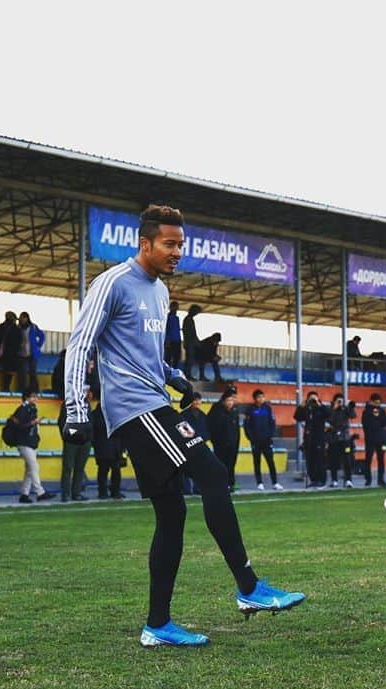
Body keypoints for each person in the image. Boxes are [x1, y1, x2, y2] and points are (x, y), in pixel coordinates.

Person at [62, 204, 303, 647]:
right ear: (145, 243)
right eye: (170, 244)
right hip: (136, 409)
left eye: (181, 245)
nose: (177, 253)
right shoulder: (112, 284)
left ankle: (157, 624)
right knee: (211, 472)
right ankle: (249, 589)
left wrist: (173, 375)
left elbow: (146, 354)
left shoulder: (158, 293)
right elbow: (80, 347)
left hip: (155, 397)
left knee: (172, 514)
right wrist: (76, 411)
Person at [9, 390, 55, 503]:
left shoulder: (29, 409)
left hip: (29, 442)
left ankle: (24, 494)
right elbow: (19, 426)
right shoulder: (23, 409)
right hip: (24, 442)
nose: (36, 399)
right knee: (34, 466)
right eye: (33, 397)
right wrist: (33, 423)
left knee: (30, 469)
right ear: (27, 398)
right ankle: (40, 492)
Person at [243, 389, 283, 491]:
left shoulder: (268, 408)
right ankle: (259, 483)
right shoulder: (250, 410)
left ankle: (275, 482)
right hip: (256, 441)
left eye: (262, 397)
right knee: (257, 462)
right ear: (255, 398)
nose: (261, 399)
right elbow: (247, 426)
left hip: (267, 440)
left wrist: (270, 435)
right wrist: (251, 438)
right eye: (259, 397)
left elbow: (272, 423)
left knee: (271, 462)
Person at [58, 389, 93, 501]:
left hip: (84, 440)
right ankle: (66, 493)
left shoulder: (87, 404)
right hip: (72, 440)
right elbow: (62, 421)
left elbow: (91, 422)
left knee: (80, 468)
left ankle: (76, 493)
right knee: (68, 467)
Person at [92, 390, 126, 499]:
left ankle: (106, 492)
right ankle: (111, 492)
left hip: (109, 447)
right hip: (110, 446)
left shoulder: (96, 414)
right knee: (108, 470)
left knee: (107, 471)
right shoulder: (113, 413)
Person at [208, 388, 242, 492]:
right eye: (229, 400)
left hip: (233, 443)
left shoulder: (234, 411)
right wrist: (215, 440)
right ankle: (221, 483)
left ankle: (231, 483)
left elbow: (236, 429)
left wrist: (236, 441)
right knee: (221, 464)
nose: (231, 402)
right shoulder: (216, 409)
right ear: (224, 400)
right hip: (220, 443)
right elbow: (212, 426)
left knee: (231, 464)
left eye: (233, 400)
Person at [294, 390, 329, 488]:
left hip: (319, 437)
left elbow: (328, 414)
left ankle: (321, 480)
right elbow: (297, 417)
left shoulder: (321, 408)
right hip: (309, 438)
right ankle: (313, 479)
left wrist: (319, 403)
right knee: (310, 460)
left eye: (314, 398)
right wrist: (301, 406)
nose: (313, 401)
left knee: (320, 459)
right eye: (311, 399)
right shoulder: (307, 409)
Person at [178, 392, 210, 496]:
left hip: (200, 445)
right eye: (195, 400)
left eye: (198, 400)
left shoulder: (203, 415)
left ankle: (198, 488)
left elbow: (207, 430)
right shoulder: (183, 415)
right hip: (188, 445)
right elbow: (183, 432)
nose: (197, 402)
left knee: (200, 468)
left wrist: (202, 440)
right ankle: (186, 488)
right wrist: (193, 441)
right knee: (187, 468)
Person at [326, 393, 356, 488]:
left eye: (341, 400)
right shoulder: (330, 409)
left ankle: (348, 480)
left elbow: (353, 416)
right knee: (333, 460)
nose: (340, 402)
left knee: (347, 459)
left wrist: (350, 407)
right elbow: (329, 419)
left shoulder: (345, 409)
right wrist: (334, 408)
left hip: (345, 438)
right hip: (333, 438)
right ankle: (334, 480)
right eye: (338, 400)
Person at [361, 392, 386, 487]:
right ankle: (368, 479)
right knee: (368, 459)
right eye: (376, 403)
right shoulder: (366, 411)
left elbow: (385, 422)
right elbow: (366, 424)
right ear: (371, 402)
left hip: (381, 439)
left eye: (379, 403)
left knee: (381, 459)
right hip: (370, 438)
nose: (378, 405)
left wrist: (379, 417)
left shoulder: (382, 411)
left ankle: (381, 479)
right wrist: (375, 417)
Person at [0, 311, 22, 393]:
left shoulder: (0, 328)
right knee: (9, 371)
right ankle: (6, 387)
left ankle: (5, 387)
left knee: (5, 371)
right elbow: (18, 341)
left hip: (3, 353)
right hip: (12, 354)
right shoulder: (15, 329)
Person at [17, 312, 45, 392]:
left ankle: (34, 389)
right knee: (23, 373)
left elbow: (42, 336)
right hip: (22, 353)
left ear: (27, 318)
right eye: (21, 318)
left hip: (32, 353)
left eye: (24, 318)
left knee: (32, 372)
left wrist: (38, 346)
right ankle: (23, 389)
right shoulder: (18, 328)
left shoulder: (33, 327)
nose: (22, 320)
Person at [181, 304, 203, 379]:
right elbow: (191, 333)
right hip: (190, 343)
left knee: (190, 360)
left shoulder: (189, 319)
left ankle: (188, 374)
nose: (196, 313)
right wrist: (196, 342)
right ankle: (187, 375)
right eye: (196, 312)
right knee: (189, 360)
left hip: (190, 343)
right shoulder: (188, 319)